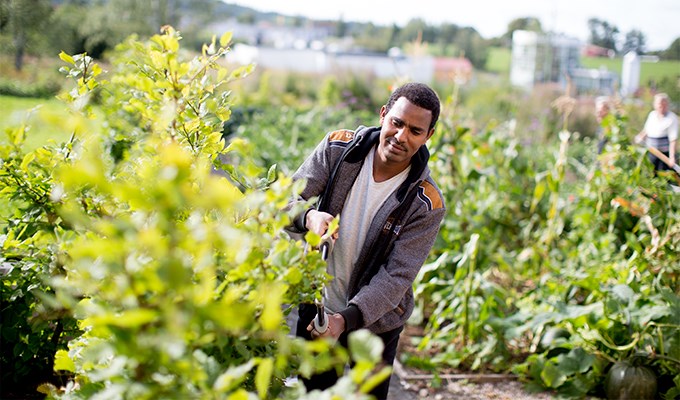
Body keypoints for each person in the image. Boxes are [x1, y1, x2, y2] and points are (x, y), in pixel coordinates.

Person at [287, 82, 446, 400]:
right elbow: (285, 198)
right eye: (397, 123)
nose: (401, 136)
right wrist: (308, 217)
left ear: (428, 136)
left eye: (415, 131)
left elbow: (397, 277)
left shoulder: (426, 201)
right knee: (312, 394)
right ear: (384, 114)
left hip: (375, 321)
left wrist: (345, 321)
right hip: (319, 305)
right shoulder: (339, 149)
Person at [635, 93, 678, 171]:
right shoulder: (652, 115)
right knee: (650, 173)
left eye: (664, 104)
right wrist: (640, 137)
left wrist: (672, 157)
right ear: (655, 105)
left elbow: (673, 140)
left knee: (664, 175)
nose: (661, 107)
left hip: (664, 155)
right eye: (659, 104)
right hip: (651, 152)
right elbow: (646, 130)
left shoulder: (672, 118)